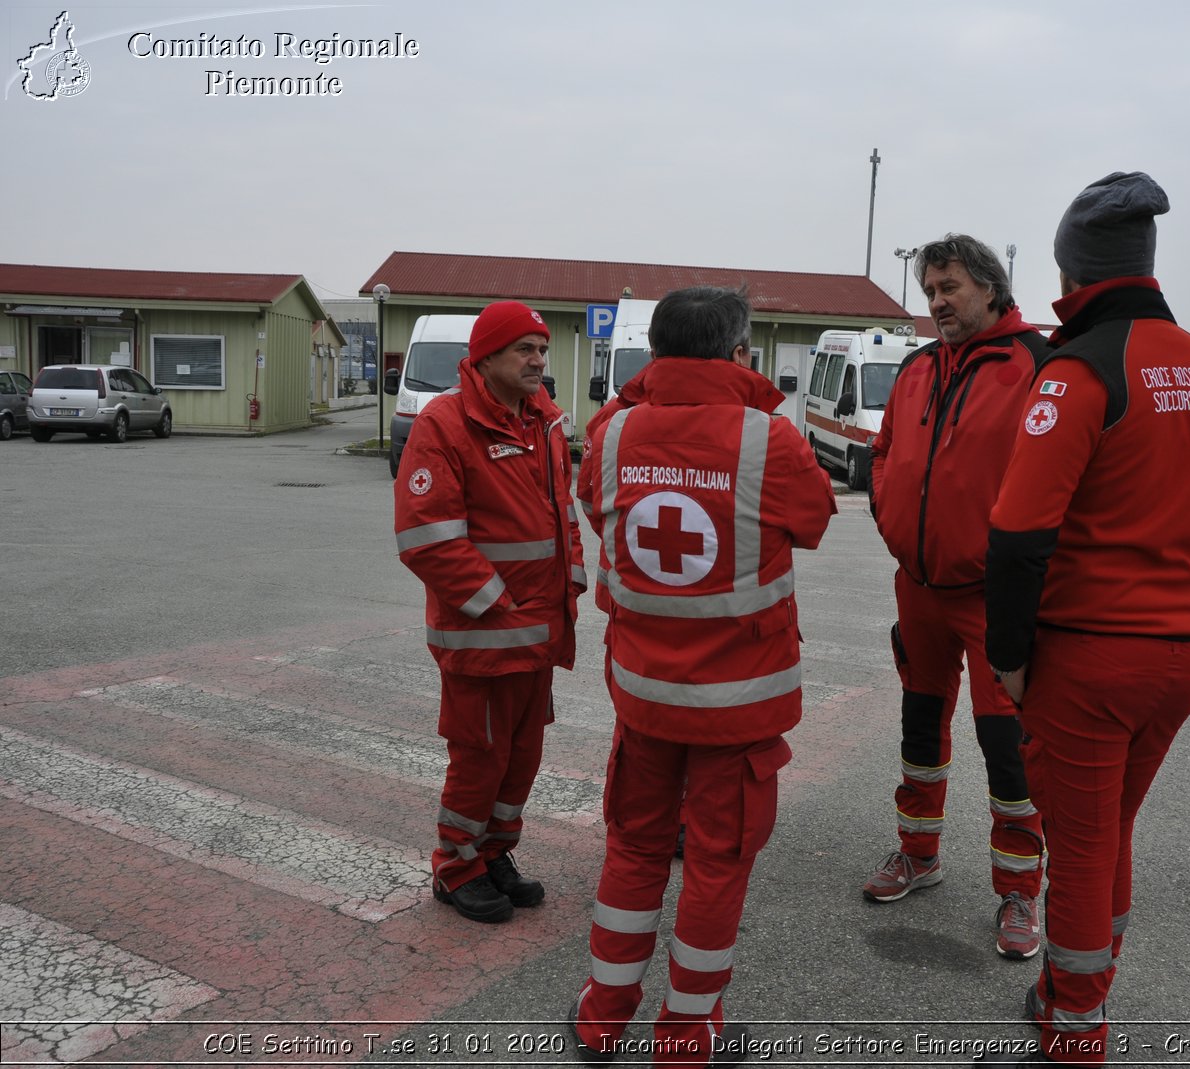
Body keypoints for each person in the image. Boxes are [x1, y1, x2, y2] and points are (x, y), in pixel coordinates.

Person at [979, 172, 1190, 1065]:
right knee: (1110, 833)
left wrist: (1009, 656)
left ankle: (1074, 1032)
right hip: (1178, 659)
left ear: (1070, 271)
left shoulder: (1081, 368)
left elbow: (1019, 536)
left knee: (1085, 846)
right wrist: (1176, 615)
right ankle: (1072, 993)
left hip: (1090, 665)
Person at [569, 287, 836, 1066]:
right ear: (737, 351)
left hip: (645, 696)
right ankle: (687, 1039)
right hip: (738, 707)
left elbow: (598, 510)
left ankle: (600, 1020)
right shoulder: (769, 439)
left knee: (634, 848)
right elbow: (815, 521)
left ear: (655, 352)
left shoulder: (612, 434)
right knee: (715, 864)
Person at [862, 234, 1049, 959]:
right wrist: (891, 522)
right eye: (930, 289)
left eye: (951, 287)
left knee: (1008, 749)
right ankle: (919, 851)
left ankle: (1019, 889)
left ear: (992, 288)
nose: (937, 301)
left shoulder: (1037, 365)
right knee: (919, 729)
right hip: (920, 588)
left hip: (997, 597)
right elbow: (884, 458)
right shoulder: (915, 368)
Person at [393, 300, 586, 924]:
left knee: (522, 754)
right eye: (524, 350)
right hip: (483, 632)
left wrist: (571, 585)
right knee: (480, 755)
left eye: (542, 350)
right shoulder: (445, 424)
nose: (538, 361)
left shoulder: (545, 423)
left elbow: (564, 516)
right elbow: (427, 538)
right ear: (486, 357)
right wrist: (497, 604)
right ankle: (455, 867)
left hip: (539, 631)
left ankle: (494, 854)